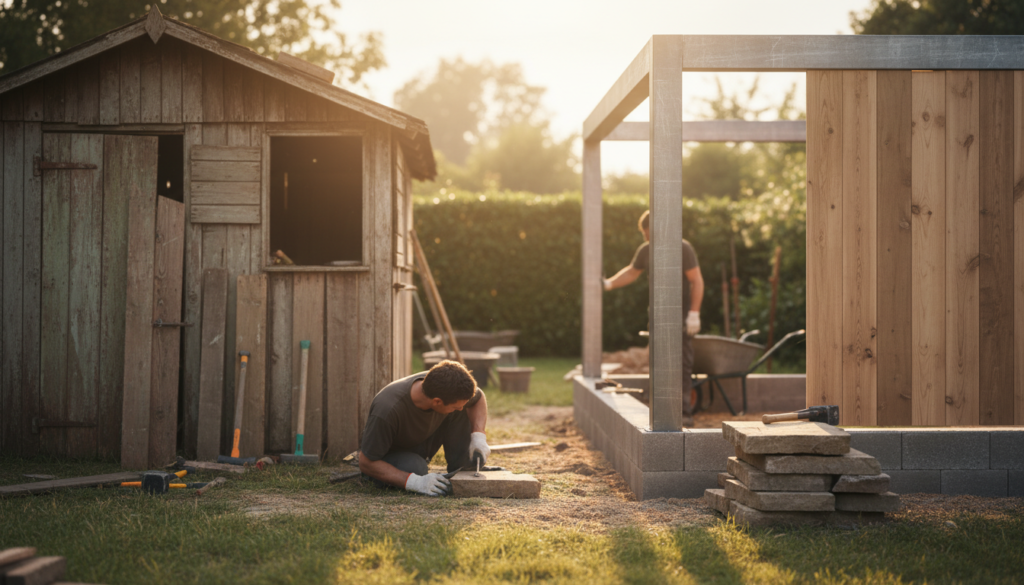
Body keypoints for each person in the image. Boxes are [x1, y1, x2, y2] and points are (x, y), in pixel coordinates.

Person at [603, 210, 704, 422]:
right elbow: (632, 271)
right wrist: (609, 283)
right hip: (658, 317)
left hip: (681, 316)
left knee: (681, 363)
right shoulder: (646, 250)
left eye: (646, 231)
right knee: (657, 361)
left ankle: (684, 412)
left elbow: (696, 280)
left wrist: (694, 313)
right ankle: (660, 409)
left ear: (656, 228)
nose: (645, 236)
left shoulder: (682, 248)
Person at [358, 360, 490, 496]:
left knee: (460, 408)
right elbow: (366, 462)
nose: (461, 408)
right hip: (390, 456)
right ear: (437, 401)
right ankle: (412, 474)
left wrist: (478, 436)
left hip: (420, 441)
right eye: (456, 406)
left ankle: (464, 467)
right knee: (415, 467)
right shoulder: (387, 410)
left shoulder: (447, 385)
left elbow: (478, 398)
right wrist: (414, 482)